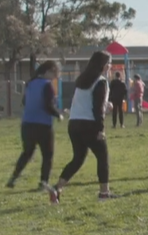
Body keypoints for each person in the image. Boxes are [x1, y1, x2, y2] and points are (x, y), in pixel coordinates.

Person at [49, 51, 119, 203]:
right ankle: (104, 193)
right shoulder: (101, 81)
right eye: (110, 63)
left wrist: (106, 105)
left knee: (78, 158)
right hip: (89, 124)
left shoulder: (82, 80)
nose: (111, 66)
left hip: (74, 123)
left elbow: (88, 102)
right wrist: (101, 129)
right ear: (104, 65)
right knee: (102, 157)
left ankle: (57, 188)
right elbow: (97, 108)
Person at [7, 61, 62, 190]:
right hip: (43, 125)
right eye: (55, 73)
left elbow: (25, 101)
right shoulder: (47, 85)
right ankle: (43, 182)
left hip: (27, 124)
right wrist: (58, 114)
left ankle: (13, 178)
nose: (55, 77)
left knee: (27, 152)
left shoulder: (30, 83)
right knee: (47, 155)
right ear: (48, 71)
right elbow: (47, 106)